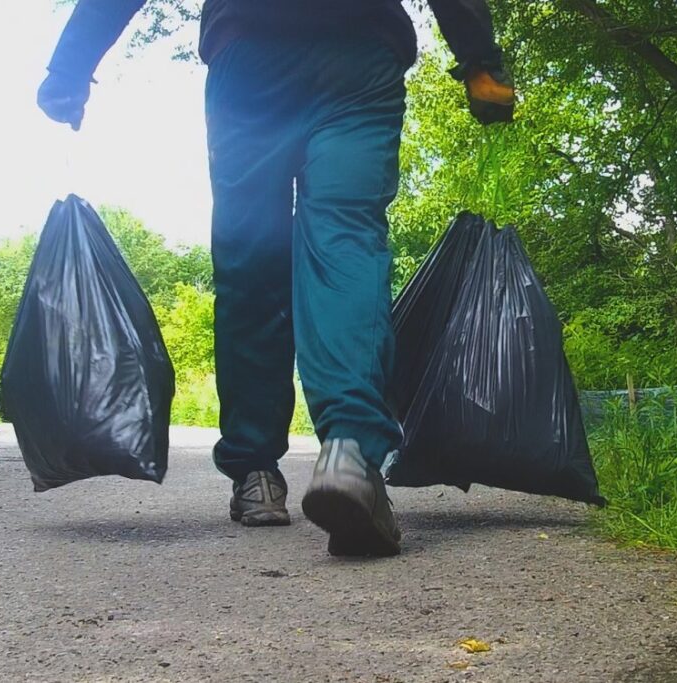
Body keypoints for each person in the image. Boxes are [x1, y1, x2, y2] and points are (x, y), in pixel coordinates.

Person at [37, 0, 514, 557]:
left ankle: (256, 471)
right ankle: (352, 452)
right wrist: (480, 61)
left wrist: (71, 64)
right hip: (358, 56)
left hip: (251, 59)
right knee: (347, 244)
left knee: (250, 263)